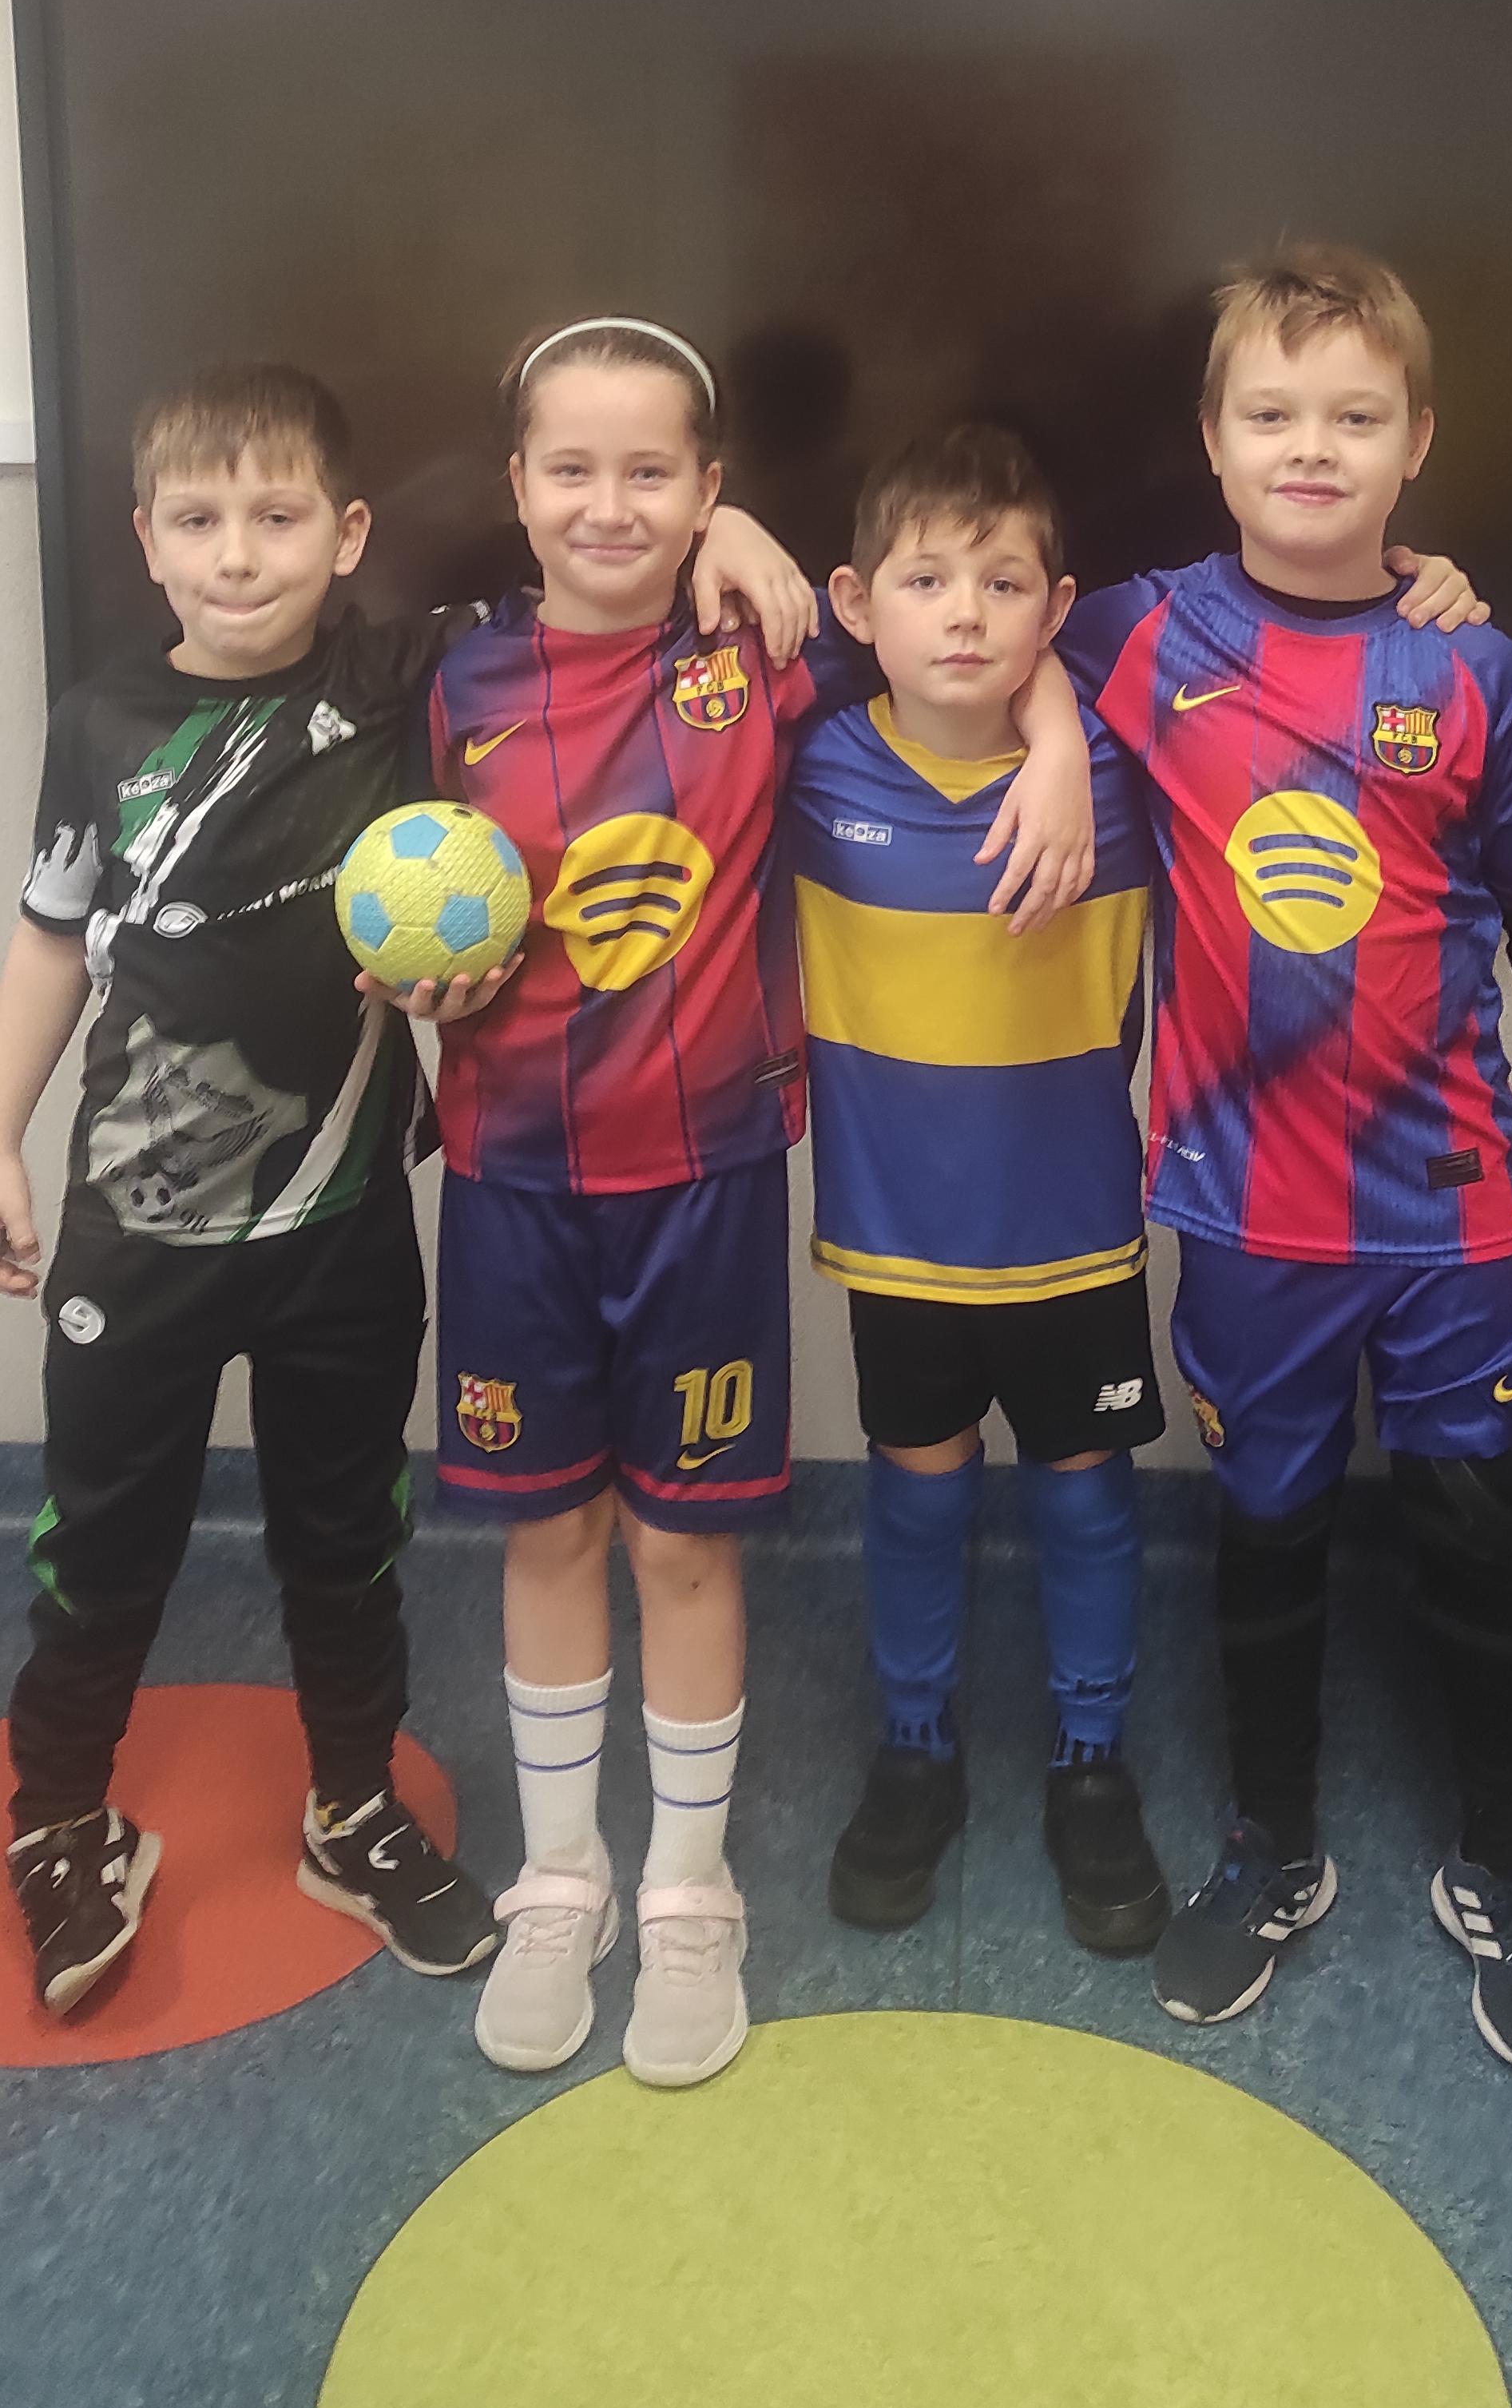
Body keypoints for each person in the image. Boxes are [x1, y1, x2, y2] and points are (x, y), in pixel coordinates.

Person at [411, 319, 1088, 2091]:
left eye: (654, 473)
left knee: (685, 1541)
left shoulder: (761, 660)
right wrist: (404, 975)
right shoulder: (452, 680)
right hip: (508, 1183)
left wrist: (1059, 736)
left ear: (710, 489)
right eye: (573, 469)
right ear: (515, 489)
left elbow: (972, 647)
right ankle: (563, 1878)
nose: (609, 504)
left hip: (704, 1181)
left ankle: (689, 1891)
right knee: (547, 1533)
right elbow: (408, 893)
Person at [1058, 245, 1512, 2079]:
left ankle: (1507, 1864)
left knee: (1477, 1538)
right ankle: (1273, 1846)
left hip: (1454, 1212)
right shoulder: (1139, 635)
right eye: (1275, 414)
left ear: (1417, 443)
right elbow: (944, 624)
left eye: (1355, 417)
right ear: (1214, 441)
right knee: (1270, 1539)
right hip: (1248, 1216)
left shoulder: (1470, 666)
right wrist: (1058, 735)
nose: (1313, 447)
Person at [0, 365, 506, 2012]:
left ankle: (352, 1809)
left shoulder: (397, 680)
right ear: (145, 540)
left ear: (346, 535)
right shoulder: (98, 725)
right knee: (102, 1540)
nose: (237, 554)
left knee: (345, 1535)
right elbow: (51, 939)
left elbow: (594, 566)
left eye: (277, 518)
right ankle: (62, 1819)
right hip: (137, 1231)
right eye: (199, 520)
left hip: (339, 1226)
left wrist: (740, 540)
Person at [791, 422, 1172, 1954]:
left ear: (1055, 607)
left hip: (1074, 1235)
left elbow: (1249, 614)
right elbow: (691, 640)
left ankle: (1091, 1756)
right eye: (926, 580)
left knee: (1088, 1495)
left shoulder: (1128, 777)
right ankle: (915, 1747)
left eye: (1004, 585)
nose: (964, 614)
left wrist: (1066, 739)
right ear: (856, 601)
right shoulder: (811, 763)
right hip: (901, 1244)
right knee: (916, 1489)